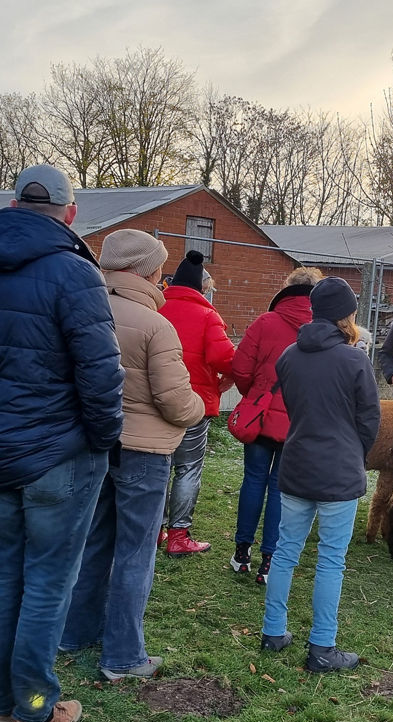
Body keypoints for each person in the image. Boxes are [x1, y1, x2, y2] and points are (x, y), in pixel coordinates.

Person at [0, 164, 125, 722]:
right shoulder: (75, 273)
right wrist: (103, 439)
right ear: (70, 214)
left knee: (4, 574)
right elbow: (100, 373)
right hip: (60, 455)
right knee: (48, 582)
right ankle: (34, 709)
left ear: (13, 203)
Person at [60, 230, 206, 679]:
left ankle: (76, 632)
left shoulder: (79, 310)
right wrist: (200, 406)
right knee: (136, 551)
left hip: (92, 444)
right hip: (143, 452)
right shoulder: (155, 325)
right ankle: (123, 655)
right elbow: (175, 400)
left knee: (95, 541)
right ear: (148, 270)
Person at [260, 277, 380, 672]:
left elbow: (295, 409)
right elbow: (369, 422)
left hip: (296, 465)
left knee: (285, 551)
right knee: (331, 560)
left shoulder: (289, 356)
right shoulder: (355, 360)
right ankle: (322, 647)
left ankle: (273, 631)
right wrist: (352, 453)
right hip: (338, 473)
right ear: (347, 314)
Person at [229, 267, 318, 583]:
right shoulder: (324, 330)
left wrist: (255, 395)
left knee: (253, 478)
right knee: (280, 486)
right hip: (298, 422)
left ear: (286, 290)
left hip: (261, 418)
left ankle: (242, 552)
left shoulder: (265, 323)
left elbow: (240, 368)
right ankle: (269, 560)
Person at [158, 249, 235, 556]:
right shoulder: (207, 316)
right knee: (187, 469)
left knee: (159, 468)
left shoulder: (155, 307)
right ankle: (179, 535)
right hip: (193, 404)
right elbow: (225, 359)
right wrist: (223, 382)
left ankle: (155, 531)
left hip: (154, 401)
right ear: (202, 287)